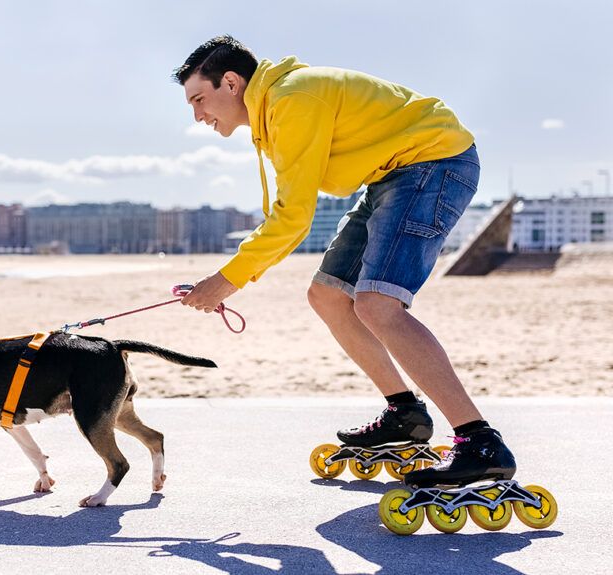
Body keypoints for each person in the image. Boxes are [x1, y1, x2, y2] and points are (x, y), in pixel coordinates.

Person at [172, 35, 515, 488]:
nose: (197, 116)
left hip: (433, 162)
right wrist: (227, 278)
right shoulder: (275, 109)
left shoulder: (293, 99)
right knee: (329, 296)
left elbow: (294, 217)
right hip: (391, 175)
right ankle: (405, 414)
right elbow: (288, 211)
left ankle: (479, 441)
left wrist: (225, 281)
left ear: (231, 83)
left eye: (199, 99)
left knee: (377, 305)